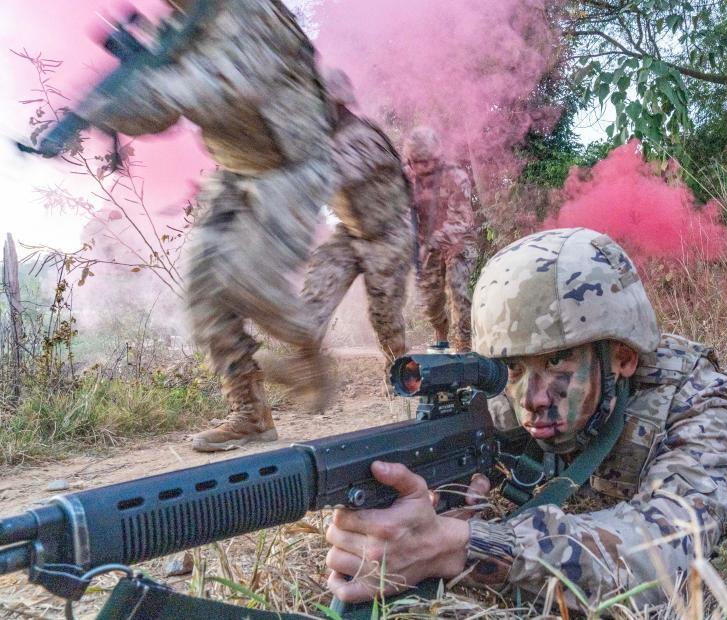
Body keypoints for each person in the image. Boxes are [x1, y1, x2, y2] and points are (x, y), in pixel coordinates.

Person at [324, 227, 727, 608]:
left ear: (622, 358)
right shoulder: (514, 394)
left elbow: (669, 552)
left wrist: (462, 545)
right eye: (514, 367)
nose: (531, 399)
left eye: (558, 362)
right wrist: (448, 495)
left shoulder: (698, 400)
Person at [68, 0, 338, 452]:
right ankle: (250, 413)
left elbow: (228, 86)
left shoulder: (248, 10)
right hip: (235, 170)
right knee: (202, 290)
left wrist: (148, 89)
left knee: (247, 280)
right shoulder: (181, 22)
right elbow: (160, 115)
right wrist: (104, 107)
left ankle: (308, 351)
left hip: (291, 167)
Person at [258, 68, 415, 402]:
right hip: (351, 233)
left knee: (384, 317)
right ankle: (305, 368)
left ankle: (401, 376)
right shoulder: (323, 140)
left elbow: (327, 176)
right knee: (315, 293)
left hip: (389, 235)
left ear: (337, 103)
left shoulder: (363, 136)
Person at [403, 127, 479, 352]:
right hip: (426, 246)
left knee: (457, 288)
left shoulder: (455, 176)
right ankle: (441, 339)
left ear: (437, 158)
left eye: (425, 162)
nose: (420, 168)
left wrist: (432, 242)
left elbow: (462, 220)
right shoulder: (405, 178)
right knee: (430, 301)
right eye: (414, 162)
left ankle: (464, 346)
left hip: (458, 240)